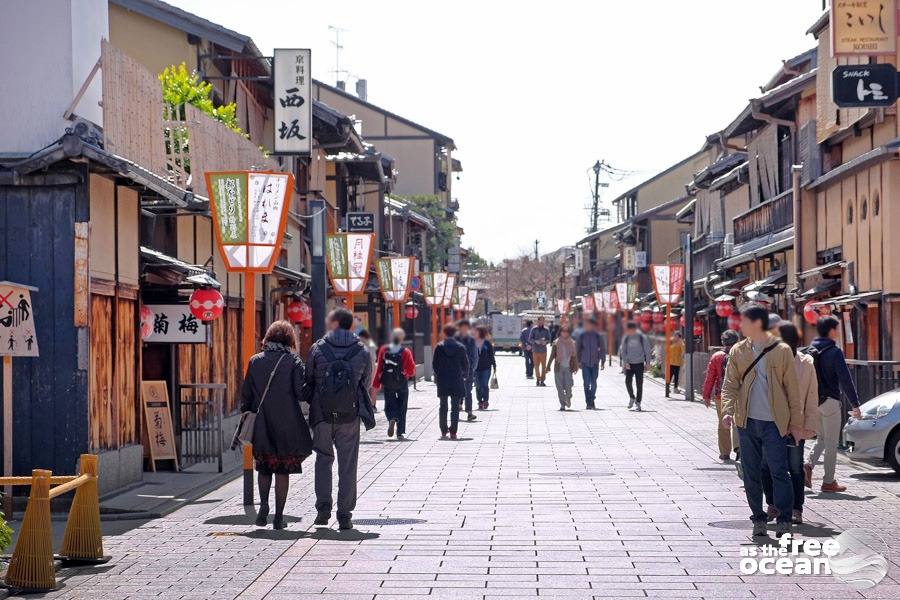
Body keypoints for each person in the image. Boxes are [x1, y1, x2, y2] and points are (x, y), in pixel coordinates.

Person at [720, 303, 803, 538]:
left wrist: (796, 424)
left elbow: (792, 391)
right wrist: (727, 410)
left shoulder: (782, 350)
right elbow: (730, 384)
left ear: (756, 323)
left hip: (775, 422)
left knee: (779, 471)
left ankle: (784, 520)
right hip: (746, 422)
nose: (740, 325)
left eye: (744, 321)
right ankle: (758, 518)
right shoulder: (738, 350)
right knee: (751, 473)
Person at [306, 308, 375, 531]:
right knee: (348, 464)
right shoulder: (362, 351)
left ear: (335, 323)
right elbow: (366, 382)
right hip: (350, 415)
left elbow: (309, 380)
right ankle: (344, 514)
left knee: (323, 460)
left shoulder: (318, 348)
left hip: (322, 415)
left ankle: (323, 510)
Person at [240, 321, 313, 530]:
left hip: (262, 425)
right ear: (289, 339)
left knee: (264, 468)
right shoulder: (293, 361)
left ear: (268, 338)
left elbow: (246, 395)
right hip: (287, 426)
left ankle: (263, 507)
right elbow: (302, 394)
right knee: (282, 471)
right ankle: (279, 517)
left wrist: (250, 412)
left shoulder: (255, 361)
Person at [760, 322, 820, 525]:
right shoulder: (768, 360)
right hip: (771, 421)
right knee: (767, 466)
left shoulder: (806, 362)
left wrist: (809, 425)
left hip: (796, 423)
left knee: (794, 467)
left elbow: (811, 395)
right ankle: (773, 503)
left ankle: (796, 508)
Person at [805, 315, 862, 493]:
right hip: (830, 401)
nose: (838, 332)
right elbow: (845, 380)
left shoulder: (809, 350)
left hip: (814, 402)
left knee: (821, 438)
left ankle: (807, 466)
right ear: (830, 330)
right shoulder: (834, 352)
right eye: (837, 328)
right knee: (831, 442)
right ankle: (828, 482)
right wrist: (855, 404)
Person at [702, 329, 740, 461]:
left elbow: (710, 377)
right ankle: (739, 448)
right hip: (740, 395)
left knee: (723, 422)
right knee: (738, 421)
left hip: (721, 395)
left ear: (723, 342)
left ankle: (724, 452)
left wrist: (706, 396)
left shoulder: (717, 357)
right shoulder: (741, 354)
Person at [373, 328, 416, 440]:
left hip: (388, 381)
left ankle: (392, 418)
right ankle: (400, 431)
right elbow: (412, 370)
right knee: (402, 405)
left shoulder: (384, 350)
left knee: (389, 402)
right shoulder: (405, 351)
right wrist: (406, 373)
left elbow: (379, 368)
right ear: (401, 338)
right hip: (401, 380)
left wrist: (376, 383)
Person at [433, 323, 469, 439]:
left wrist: (438, 374)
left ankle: (443, 430)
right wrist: (464, 375)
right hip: (456, 379)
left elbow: (435, 364)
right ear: (455, 333)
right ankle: (453, 431)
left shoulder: (439, 347)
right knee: (455, 407)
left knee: (443, 406)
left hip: (443, 380)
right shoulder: (460, 348)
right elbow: (465, 364)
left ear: (445, 333)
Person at [619, 321, 652, 411]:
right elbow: (623, 351)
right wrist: (625, 362)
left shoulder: (642, 337)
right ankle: (632, 397)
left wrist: (648, 363)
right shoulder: (626, 337)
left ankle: (638, 402)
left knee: (639, 383)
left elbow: (647, 350)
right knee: (628, 382)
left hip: (639, 363)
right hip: (629, 364)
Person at [575, 317, 606, 409]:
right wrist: (578, 361)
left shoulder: (598, 335)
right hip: (585, 363)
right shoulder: (582, 335)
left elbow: (603, 349)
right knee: (586, 383)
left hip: (595, 363)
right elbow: (578, 349)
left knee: (593, 383)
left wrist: (602, 360)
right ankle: (589, 402)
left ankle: (591, 398)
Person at [547, 326, 578, 410]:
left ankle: (568, 397)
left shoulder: (572, 343)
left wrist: (576, 366)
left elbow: (574, 356)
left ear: (569, 333)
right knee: (559, 387)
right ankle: (562, 404)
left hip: (568, 368)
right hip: (558, 367)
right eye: (563, 331)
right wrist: (548, 365)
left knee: (569, 386)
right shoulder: (556, 343)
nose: (565, 333)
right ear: (560, 332)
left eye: (566, 331)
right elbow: (552, 355)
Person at [455, 320, 479, 422]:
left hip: (468, 370)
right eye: (462, 328)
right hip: (456, 370)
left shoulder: (471, 340)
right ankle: (456, 411)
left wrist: (472, 368)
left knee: (468, 391)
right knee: (456, 392)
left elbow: (474, 355)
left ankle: (469, 412)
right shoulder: (455, 339)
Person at [473, 325, 496, 410]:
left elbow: (491, 355)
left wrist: (494, 365)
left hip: (486, 367)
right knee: (478, 385)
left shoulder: (487, 343)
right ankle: (480, 401)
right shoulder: (473, 342)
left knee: (484, 385)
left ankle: (485, 400)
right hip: (475, 368)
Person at [358, 329, 378, 412]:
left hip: (372, 368)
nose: (360, 339)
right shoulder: (367, 345)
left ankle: (373, 405)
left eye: (360, 338)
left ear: (363, 337)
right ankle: (370, 405)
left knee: (372, 387)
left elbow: (372, 359)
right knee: (369, 387)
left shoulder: (370, 345)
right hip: (369, 368)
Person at [529, 317, 552, 386]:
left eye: (543, 321)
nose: (542, 322)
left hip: (543, 351)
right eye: (540, 321)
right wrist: (535, 341)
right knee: (536, 366)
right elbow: (530, 339)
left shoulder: (546, 330)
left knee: (543, 366)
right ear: (538, 321)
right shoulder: (534, 329)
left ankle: (542, 380)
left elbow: (549, 339)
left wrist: (546, 342)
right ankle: (538, 379)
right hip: (535, 350)